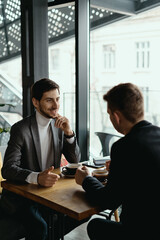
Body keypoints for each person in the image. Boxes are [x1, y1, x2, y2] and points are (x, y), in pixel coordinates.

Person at [75, 83, 160, 239]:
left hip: (143, 233)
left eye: (109, 114)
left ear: (116, 116)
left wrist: (85, 179)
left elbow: (108, 201)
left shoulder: (123, 147)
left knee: (95, 225)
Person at [1, 78, 82, 240]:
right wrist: (37, 177)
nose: (56, 105)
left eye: (57, 99)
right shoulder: (21, 129)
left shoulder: (60, 126)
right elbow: (8, 168)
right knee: (41, 227)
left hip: (50, 193)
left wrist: (69, 133)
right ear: (35, 102)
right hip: (22, 198)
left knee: (78, 214)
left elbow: (75, 160)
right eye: (49, 100)